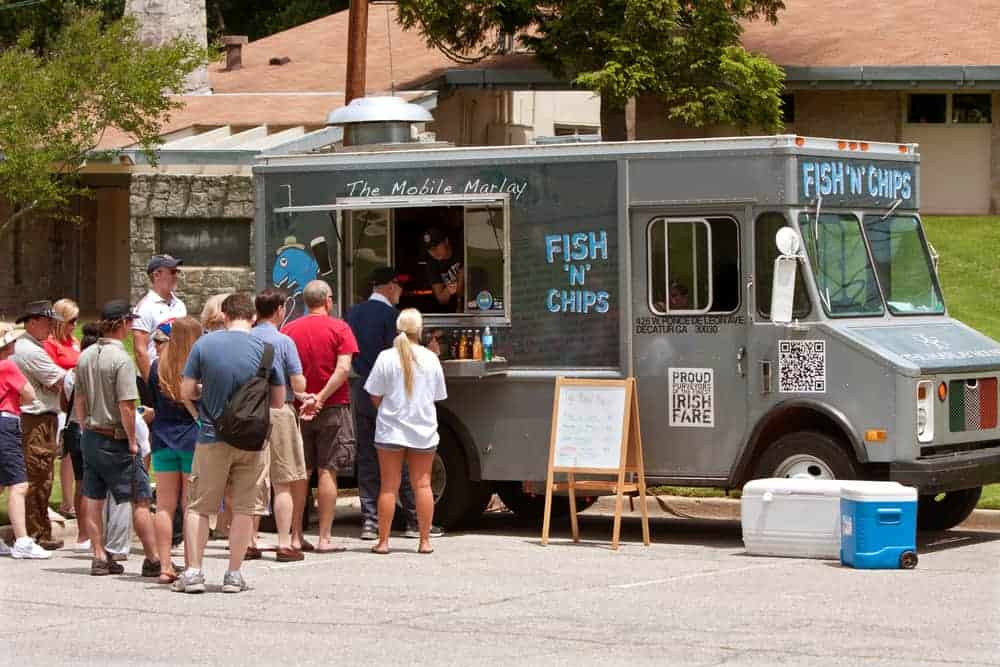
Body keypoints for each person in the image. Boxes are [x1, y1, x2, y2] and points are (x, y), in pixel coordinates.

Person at [174, 293, 285, 594]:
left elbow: (185, 390)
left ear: (223, 316)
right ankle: (233, 574)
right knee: (244, 508)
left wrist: (204, 392)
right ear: (252, 318)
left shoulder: (204, 345)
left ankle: (194, 572)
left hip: (212, 435)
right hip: (253, 440)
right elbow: (278, 401)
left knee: (199, 506)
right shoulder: (267, 349)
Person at [74, 300, 160, 576]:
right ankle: (153, 559)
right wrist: (133, 441)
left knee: (94, 496)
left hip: (91, 435)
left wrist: (85, 426)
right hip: (116, 437)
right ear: (122, 323)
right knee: (140, 498)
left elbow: (80, 398)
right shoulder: (121, 359)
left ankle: (99, 556)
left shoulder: (85, 355)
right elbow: (126, 405)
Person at [281, 280, 358, 554]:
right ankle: (325, 537)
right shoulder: (340, 328)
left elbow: (282, 372)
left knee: (301, 471)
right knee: (328, 469)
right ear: (327, 300)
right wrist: (322, 398)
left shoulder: (288, 330)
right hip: (333, 406)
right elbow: (344, 368)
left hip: (298, 409)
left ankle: (296, 535)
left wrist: (305, 397)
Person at [346, 267, 422, 541]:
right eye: (399, 287)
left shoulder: (352, 313)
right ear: (390, 287)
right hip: (388, 394)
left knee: (366, 456)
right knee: (397, 456)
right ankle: (414, 520)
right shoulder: (393, 317)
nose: (400, 291)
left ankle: (369, 520)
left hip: (360, 388)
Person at [364, 309, 446, 555]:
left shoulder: (385, 357)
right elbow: (438, 395)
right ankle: (424, 541)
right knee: (423, 485)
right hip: (423, 429)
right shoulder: (431, 358)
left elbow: (374, 394)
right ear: (420, 330)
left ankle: (384, 541)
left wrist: (388, 411)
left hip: (390, 430)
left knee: (389, 487)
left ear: (398, 328)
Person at [250, 288, 314, 562]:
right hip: (279, 410)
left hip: (248, 412)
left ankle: (249, 540)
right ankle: (285, 542)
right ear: (278, 310)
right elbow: (298, 383)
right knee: (283, 480)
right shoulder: (284, 342)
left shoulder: (245, 338)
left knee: (251, 479)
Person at [148, 316, 201, 583]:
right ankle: (192, 564)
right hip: (192, 440)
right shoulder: (198, 366)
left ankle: (165, 566)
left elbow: (152, 403)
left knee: (164, 505)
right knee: (190, 504)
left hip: (162, 438)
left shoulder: (158, 365)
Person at [12, 301, 67, 550]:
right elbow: (60, 381)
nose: (51, 328)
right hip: (36, 419)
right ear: (33, 321)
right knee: (37, 474)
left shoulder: (32, 346)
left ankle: (38, 531)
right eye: (48, 322)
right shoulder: (30, 351)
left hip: (41, 418)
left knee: (41, 473)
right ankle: (34, 533)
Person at [0, 327, 51, 559]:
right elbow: (29, 393)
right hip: (7, 423)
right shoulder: (8, 366)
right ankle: (22, 540)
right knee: (19, 484)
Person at [44, 299, 81, 521]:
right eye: (71, 321)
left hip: (75, 405)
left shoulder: (73, 341)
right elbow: (50, 374)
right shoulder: (50, 344)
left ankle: (70, 501)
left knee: (71, 455)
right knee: (57, 454)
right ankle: (62, 502)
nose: (74, 325)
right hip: (58, 405)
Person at [133, 255, 186, 406]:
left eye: (176, 272)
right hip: (153, 377)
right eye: (172, 272)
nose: (176, 276)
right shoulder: (145, 307)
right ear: (156, 275)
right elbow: (139, 350)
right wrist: (152, 383)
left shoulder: (180, 305)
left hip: (176, 375)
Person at [423, 227, 464, 312]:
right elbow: (441, 299)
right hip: (451, 313)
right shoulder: (432, 264)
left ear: (446, 241)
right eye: (429, 249)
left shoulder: (461, 251)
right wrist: (450, 287)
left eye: (436, 246)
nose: (433, 252)